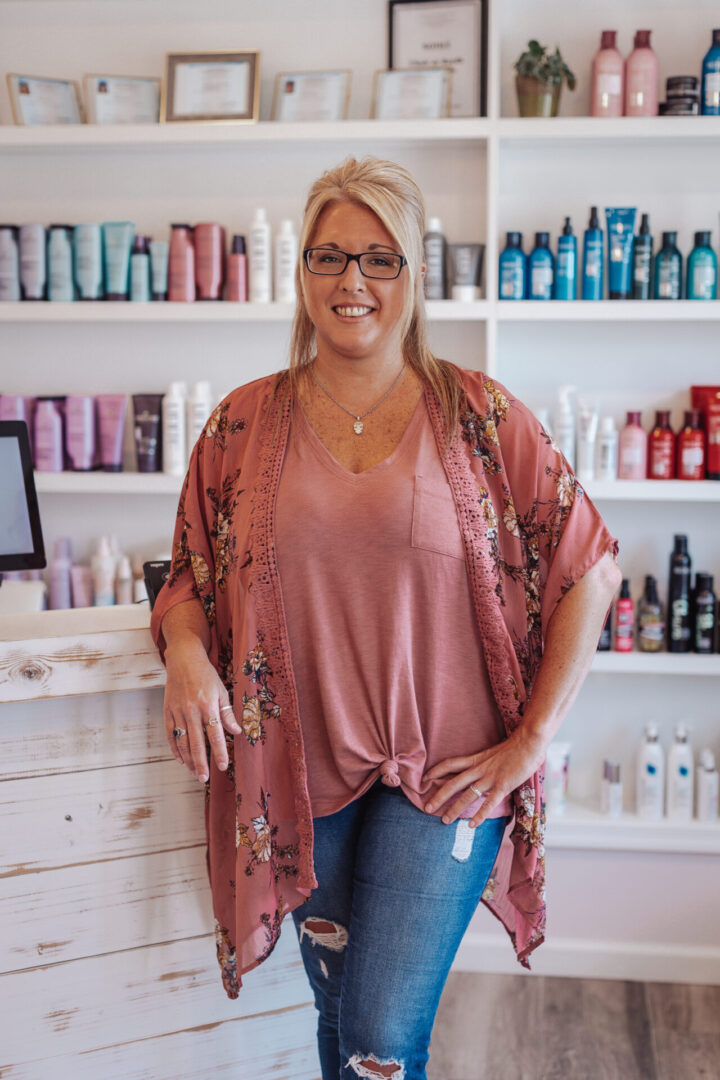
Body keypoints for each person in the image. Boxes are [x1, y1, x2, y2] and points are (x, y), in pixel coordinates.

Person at [150, 156, 620, 1080]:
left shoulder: (480, 416)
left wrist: (528, 745)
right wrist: (184, 652)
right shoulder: (240, 427)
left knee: (377, 1038)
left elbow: (590, 569)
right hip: (297, 779)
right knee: (335, 1016)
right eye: (329, 257)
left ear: (414, 273)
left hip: (444, 778)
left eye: (380, 258)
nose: (352, 282)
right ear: (301, 272)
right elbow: (191, 576)